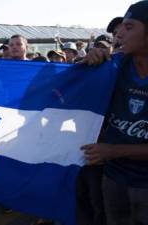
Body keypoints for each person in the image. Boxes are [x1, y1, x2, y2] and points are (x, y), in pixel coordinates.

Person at [82, 1, 148, 224]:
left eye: (129, 27)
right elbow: (70, 91)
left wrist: (113, 150)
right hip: (113, 177)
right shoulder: (114, 66)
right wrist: (88, 64)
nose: (119, 33)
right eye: (121, 27)